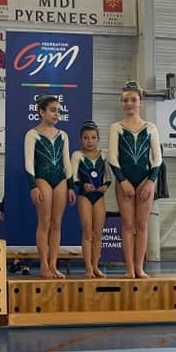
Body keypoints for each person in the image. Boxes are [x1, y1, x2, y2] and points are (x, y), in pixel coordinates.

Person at [108, 81, 162, 279]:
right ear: (122, 103)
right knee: (127, 224)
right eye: (126, 100)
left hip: (146, 180)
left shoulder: (150, 128)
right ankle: (130, 268)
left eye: (133, 100)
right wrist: (122, 181)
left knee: (142, 224)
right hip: (124, 180)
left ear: (141, 102)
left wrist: (151, 181)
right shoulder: (116, 127)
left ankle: (140, 267)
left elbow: (157, 158)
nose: (129, 103)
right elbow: (112, 157)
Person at [25, 95, 75, 279]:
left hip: (60, 179)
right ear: (41, 112)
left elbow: (66, 162)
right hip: (42, 179)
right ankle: (44, 265)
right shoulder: (32, 134)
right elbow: (29, 162)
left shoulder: (63, 135)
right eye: (53, 110)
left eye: (58, 111)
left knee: (57, 223)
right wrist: (33, 186)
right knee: (44, 222)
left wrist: (70, 185)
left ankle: (53, 264)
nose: (56, 114)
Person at [71, 120, 111, 279]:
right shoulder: (77, 155)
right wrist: (83, 185)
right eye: (86, 138)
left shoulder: (104, 154)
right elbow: (74, 177)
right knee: (87, 233)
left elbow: (108, 175)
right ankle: (88, 267)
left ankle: (95, 266)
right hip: (85, 196)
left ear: (98, 139)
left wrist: (106, 186)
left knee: (97, 234)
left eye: (93, 138)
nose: (90, 141)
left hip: (99, 196)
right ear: (81, 139)